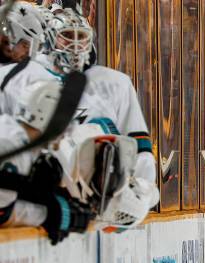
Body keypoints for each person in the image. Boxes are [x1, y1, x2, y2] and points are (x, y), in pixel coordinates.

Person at [0, 8, 156, 188]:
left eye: (80, 37)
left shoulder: (114, 82)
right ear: (50, 38)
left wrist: (144, 184)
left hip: (101, 190)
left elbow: (136, 139)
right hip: (38, 187)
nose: (74, 44)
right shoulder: (16, 77)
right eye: (66, 35)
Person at [0, 80, 94, 244]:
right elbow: (2, 213)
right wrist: (46, 214)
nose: (64, 134)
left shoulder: (14, 135)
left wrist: (47, 202)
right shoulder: (13, 148)